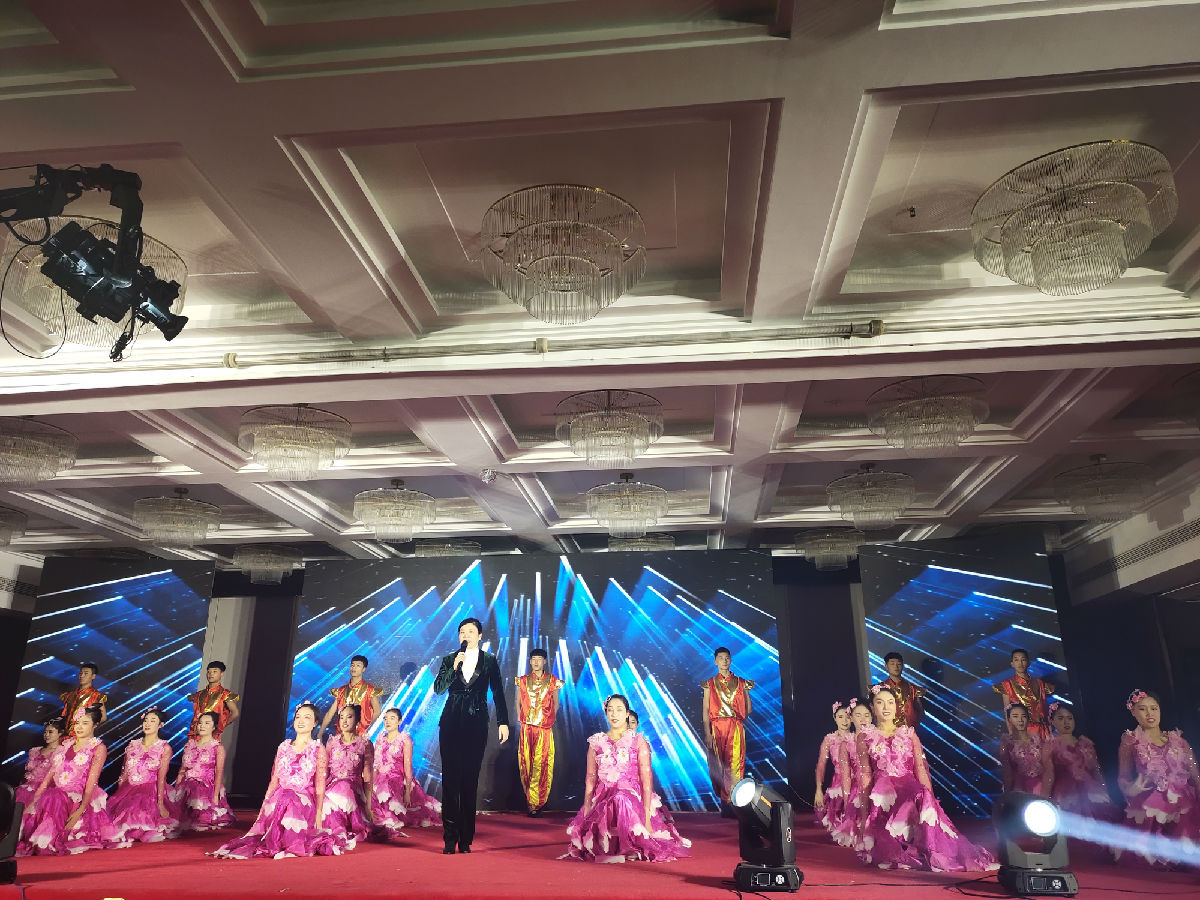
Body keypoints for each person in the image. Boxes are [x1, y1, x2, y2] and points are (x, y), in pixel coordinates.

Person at [856, 686, 997, 872]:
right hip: (883, 792)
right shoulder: (865, 737)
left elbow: (920, 768)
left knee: (920, 796)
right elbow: (865, 774)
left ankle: (927, 851)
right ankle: (900, 851)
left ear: (896, 706)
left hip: (909, 786)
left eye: (890, 702)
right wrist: (864, 812)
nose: (886, 707)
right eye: (880, 703)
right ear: (873, 707)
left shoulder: (908, 734)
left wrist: (929, 798)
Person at [561, 694, 691, 863]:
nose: (614, 714)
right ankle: (613, 845)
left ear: (627, 713)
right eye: (610, 710)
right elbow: (591, 779)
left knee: (620, 797)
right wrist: (586, 810)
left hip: (632, 796)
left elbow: (646, 780)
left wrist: (646, 817)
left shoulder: (638, 741)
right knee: (611, 801)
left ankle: (629, 844)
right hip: (603, 796)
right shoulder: (597, 742)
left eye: (619, 710)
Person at [212, 701, 344, 859]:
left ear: (315, 723)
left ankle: (290, 842)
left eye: (307, 717)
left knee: (289, 797)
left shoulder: (318, 749)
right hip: (281, 795)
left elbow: (320, 785)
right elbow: (274, 780)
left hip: (305, 798)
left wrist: (319, 813)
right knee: (285, 796)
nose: (301, 721)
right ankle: (278, 840)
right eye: (298, 717)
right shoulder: (283, 747)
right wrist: (263, 807)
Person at [434, 616, 509, 854]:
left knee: (469, 780)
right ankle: (449, 838)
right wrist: (454, 666)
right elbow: (438, 688)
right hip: (451, 723)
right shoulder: (449, 659)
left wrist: (503, 722)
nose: (465, 635)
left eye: (470, 631)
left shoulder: (489, 660)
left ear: (479, 635)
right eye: (462, 632)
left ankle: (466, 838)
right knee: (450, 781)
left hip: (476, 723)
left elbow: (498, 692)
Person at [17, 706, 121, 855]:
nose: (79, 727)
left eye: (85, 723)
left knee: (53, 797)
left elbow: (92, 781)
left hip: (79, 794)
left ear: (95, 725)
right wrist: (34, 801)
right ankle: (40, 840)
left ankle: (49, 841)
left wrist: (81, 809)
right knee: (48, 797)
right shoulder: (66, 745)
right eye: (77, 723)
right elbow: (49, 777)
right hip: (57, 792)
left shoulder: (98, 748)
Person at [1115, 689, 1200, 867]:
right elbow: (1123, 777)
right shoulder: (1130, 741)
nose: (1149, 713)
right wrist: (1129, 788)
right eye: (1142, 709)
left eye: (1154, 708)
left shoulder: (1179, 741)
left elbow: (1195, 776)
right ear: (1133, 712)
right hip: (1150, 806)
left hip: (1183, 804)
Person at [108, 706, 177, 844]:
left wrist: (160, 803)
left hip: (150, 789)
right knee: (122, 812)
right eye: (146, 720)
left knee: (139, 811)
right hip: (129, 789)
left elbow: (162, 778)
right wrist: (118, 798)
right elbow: (124, 774)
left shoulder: (164, 748)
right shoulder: (132, 745)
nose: (147, 723)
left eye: (153, 720)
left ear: (161, 725)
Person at [372, 707, 441, 835]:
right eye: (385, 719)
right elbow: (376, 765)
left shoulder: (405, 740)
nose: (388, 721)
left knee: (389, 792)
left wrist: (407, 792)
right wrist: (371, 785)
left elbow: (408, 768)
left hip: (397, 779)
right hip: (380, 778)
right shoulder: (380, 739)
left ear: (399, 721)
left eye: (392, 718)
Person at [701, 646, 754, 806]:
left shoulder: (741, 682)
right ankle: (724, 798)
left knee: (734, 762)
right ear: (715, 661)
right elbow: (706, 710)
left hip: (734, 726)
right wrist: (708, 733)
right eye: (721, 658)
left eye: (727, 658)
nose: (724, 661)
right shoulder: (709, 684)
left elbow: (748, 708)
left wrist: (740, 713)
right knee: (717, 764)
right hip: (717, 727)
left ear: (730, 661)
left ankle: (732, 800)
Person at [1045, 702, 1116, 819]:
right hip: (1066, 791)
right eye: (1061, 718)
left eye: (1070, 718)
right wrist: (1045, 800)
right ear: (1052, 721)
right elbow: (1049, 774)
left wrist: (1105, 790)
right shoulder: (1051, 744)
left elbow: (1096, 770)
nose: (1066, 722)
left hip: (1090, 789)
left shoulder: (1085, 743)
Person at [171, 711, 237, 833]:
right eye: (200, 723)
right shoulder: (190, 745)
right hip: (186, 787)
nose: (202, 726)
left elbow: (219, 773)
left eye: (207, 723)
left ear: (214, 727)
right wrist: (176, 790)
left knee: (201, 819)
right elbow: (182, 770)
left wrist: (216, 796)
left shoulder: (217, 747)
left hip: (206, 788)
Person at [321, 705, 375, 851]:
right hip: (331, 786)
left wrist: (368, 806)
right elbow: (324, 771)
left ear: (357, 720)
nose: (344, 721)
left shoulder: (365, 744)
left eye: (349, 717)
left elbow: (368, 777)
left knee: (344, 785)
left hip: (353, 789)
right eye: (341, 717)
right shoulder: (332, 742)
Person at [515, 648, 562, 816]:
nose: (536, 662)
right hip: (526, 728)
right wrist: (522, 720)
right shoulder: (522, 680)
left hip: (544, 729)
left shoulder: (552, 680)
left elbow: (556, 704)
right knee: (525, 763)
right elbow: (518, 702)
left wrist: (547, 720)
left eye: (539, 659)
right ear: (530, 661)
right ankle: (530, 800)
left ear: (544, 661)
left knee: (542, 764)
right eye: (533, 659)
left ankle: (537, 802)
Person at [829, 699, 872, 850]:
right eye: (858, 715)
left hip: (878, 785)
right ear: (851, 718)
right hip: (858, 788)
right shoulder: (846, 743)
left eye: (866, 715)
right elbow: (846, 775)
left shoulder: (877, 738)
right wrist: (847, 802)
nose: (863, 719)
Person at [993, 649, 1055, 739]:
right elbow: (1007, 711)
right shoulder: (1007, 684)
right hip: (1022, 731)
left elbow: (1045, 706)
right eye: (1016, 660)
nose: (1020, 663)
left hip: (1042, 730)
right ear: (1012, 664)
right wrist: (1011, 732)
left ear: (1028, 663)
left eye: (1023, 659)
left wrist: (1049, 727)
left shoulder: (1039, 683)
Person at [814, 701, 853, 839]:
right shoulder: (829, 739)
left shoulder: (857, 737)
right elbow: (821, 765)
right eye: (840, 717)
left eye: (848, 716)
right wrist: (818, 790)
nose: (845, 721)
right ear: (835, 718)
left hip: (856, 782)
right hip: (839, 783)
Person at [321, 655, 383, 738]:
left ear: (363, 669)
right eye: (352, 665)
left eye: (358, 666)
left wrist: (365, 728)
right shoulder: (341, 690)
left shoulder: (369, 689)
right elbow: (330, 713)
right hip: (341, 735)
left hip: (359, 736)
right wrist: (320, 732)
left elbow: (377, 711)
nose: (354, 668)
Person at [999, 702, 1050, 795]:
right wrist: (1006, 795)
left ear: (1028, 718)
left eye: (1023, 716)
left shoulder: (1038, 740)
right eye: (1015, 716)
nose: (1020, 720)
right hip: (1019, 789)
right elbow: (1007, 773)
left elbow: (1047, 769)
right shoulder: (1006, 743)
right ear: (1009, 719)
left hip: (1039, 788)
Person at [16, 717, 65, 810]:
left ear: (60, 733)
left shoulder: (61, 752)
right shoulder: (35, 751)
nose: (47, 735)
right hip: (27, 788)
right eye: (45, 732)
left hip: (46, 791)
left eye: (50, 732)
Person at [186, 660, 240, 739]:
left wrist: (220, 726)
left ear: (222, 673)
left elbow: (235, 713)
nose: (211, 674)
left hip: (210, 736)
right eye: (209, 672)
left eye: (215, 671)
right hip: (194, 734)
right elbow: (190, 698)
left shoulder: (225, 694)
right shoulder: (200, 694)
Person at [872, 652, 925, 729]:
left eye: (899, 664)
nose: (896, 667)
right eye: (892, 664)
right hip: (887, 731)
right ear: (886, 666)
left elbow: (920, 711)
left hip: (910, 730)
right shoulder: (878, 689)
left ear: (902, 666)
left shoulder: (913, 688)